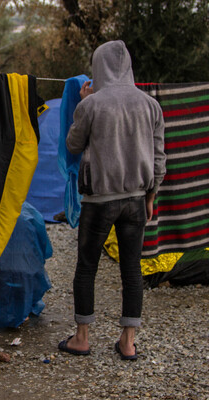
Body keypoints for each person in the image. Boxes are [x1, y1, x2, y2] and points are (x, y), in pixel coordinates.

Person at [58, 40, 166, 361]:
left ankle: (82, 338)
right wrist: (151, 196)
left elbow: (73, 144)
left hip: (99, 200)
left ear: (98, 67)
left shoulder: (91, 104)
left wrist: (83, 103)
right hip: (136, 199)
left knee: (87, 267)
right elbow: (159, 158)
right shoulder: (150, 105)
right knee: (132, 270)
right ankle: (128, 342)